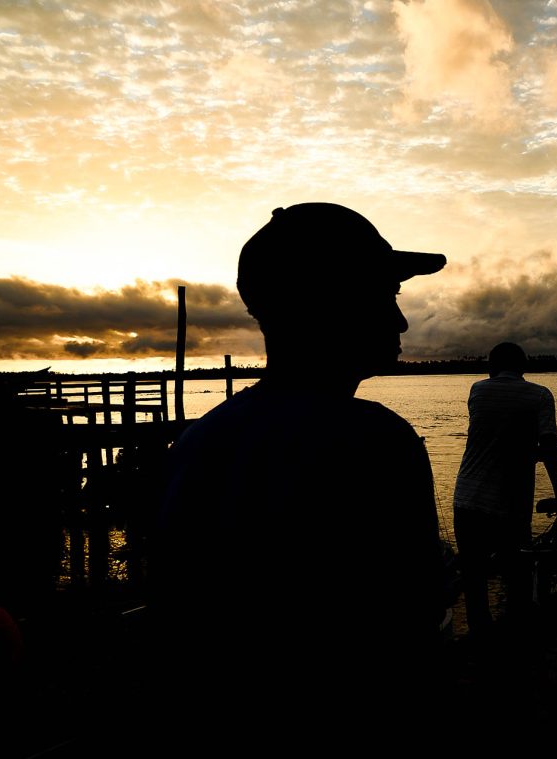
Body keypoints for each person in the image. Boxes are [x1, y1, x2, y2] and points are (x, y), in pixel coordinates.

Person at [146, 203, 449, 748]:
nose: (400, 320)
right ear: (332, 303)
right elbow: (409, 624)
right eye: (386, 295)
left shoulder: (199, 441)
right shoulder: (376, 442)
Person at [452, 342, 557, 639]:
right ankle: (516, 642)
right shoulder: (540, 395)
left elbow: (494, 435)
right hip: (507, 503)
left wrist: (524, 448)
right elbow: (549, 446)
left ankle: (480, 642)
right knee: (517, 576)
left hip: (466, 498)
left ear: (492, 367)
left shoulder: (477, 391)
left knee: (474, 579)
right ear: (523, 367)